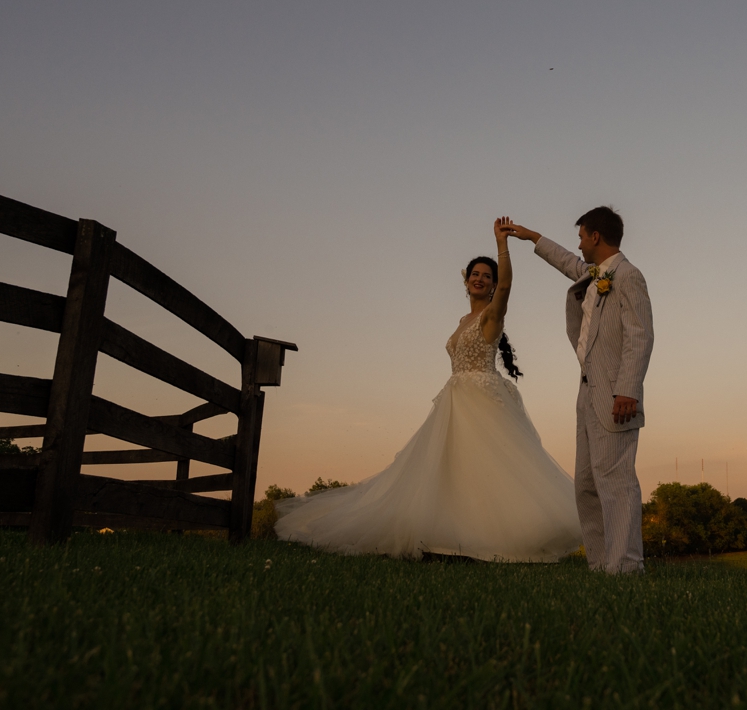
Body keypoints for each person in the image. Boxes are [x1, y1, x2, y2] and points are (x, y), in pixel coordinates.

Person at [274, 217, 581, 561]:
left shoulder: (492, 316)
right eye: (475, 274)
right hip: (454, 400)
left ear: (493, 286)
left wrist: (502, 245)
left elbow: (508, 287)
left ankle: (495, 539)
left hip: (482, 400)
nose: (480, 279)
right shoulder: (462, 322)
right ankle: (449, 538)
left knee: (488, 469)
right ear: (466, 282)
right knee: (450, 472)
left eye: (487, 276)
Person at [502, 207, 653, 575]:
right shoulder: (594, 275)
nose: (580, 244)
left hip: (617, 395)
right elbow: (567, 262)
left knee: (616, 481)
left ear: (596, 236)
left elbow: (640, 334)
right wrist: (531, 236)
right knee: (587, 483)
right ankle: (602, 564)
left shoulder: (628, 276)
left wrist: (627, 390)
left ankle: (627, 566)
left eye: (582, 236)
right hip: (587, 391)